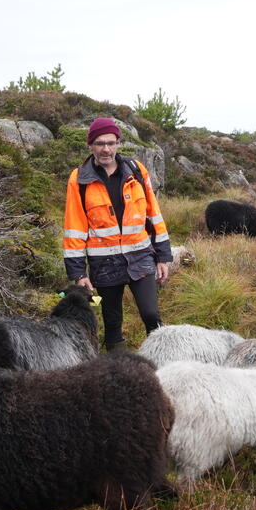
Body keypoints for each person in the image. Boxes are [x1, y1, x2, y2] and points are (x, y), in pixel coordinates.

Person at [63, 117, 173, 351]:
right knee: (112, 324)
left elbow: (153, 214)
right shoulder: (79, 179)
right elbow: (75, 226)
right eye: (100, 143)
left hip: (141, 258)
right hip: (104, 264)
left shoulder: (136, 170)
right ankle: (118, 371)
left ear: (118, 144)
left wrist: (163, 257)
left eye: (111, 143)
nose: (106, 149)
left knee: (152, 314)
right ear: (90, 145)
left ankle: (160, 361)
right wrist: (78, 272)